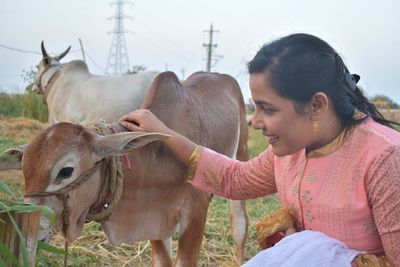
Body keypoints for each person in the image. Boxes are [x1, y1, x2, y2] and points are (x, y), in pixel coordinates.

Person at [119, 33, 400, 266]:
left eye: (268, 109)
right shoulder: (293, 151)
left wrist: (317, 254)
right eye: (256, 107)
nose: (256, 123)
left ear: (317, 105)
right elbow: (234, 179)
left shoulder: (384, 159)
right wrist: (165, 133)